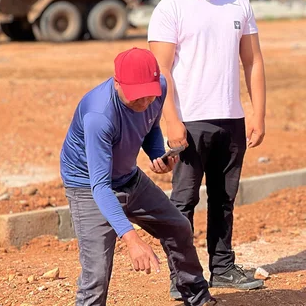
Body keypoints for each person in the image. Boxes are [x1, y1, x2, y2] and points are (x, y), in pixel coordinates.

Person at [148, 0, 267, 299]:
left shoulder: (239, 4)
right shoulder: (171, 8)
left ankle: (223, 267)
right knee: (182, 202)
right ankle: (181, 276)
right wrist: (170, 120)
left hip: (230, 118)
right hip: (188, 121)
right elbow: (160, 71)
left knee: (224, 198)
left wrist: (258, 114)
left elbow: (254, 62)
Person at [60, 47, 216, 306]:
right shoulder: (99, 115)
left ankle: (197, 297)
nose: (144, 102)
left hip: (129, 178)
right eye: (136, 98)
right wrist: (131, 238)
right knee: (96, 272)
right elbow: (100, 186)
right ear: (117, 82)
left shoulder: (159, 87)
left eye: (149, 95)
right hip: (88, 186)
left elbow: (151, 124)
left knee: (178, 227)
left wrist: (156, 154)